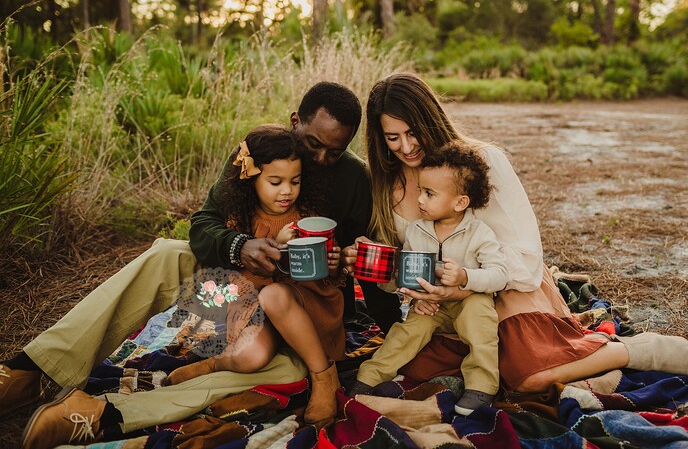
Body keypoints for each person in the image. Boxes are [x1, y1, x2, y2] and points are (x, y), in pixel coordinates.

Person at [0, 81, 399, 448]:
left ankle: (105, 413)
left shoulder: (352, 178)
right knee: (166, 253)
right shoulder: (257, 153)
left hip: (295, 305)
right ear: (297, 121)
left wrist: (390, 323)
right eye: (314, 144)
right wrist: (239, 245)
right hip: (239, 282)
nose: (322, 158)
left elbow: (356, 257)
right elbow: (204, 224)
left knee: (285, 372)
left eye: (335, 149)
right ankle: (33, 370)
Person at [342, 72, 688, 397]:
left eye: (413, 132)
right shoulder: (386, 187)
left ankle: (642, 350)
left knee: (525, 375)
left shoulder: (481, 163)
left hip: (505, 286)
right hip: (442, 307)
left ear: (432, 120)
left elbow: (523, 255)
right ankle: (574, 362)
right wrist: (373, 262)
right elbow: (408, 268)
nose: (406, 147)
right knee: (419, 372)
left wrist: (468, 284)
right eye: (393, 137)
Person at [158, 125, 345, 431]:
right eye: (275, 182)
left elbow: (323, 274)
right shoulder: (242, 222)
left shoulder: (308, 217)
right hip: (262, 308)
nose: (287, 191)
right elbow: (243, 281)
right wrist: (274, 248)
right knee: (250, 357)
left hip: (306, 306)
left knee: (275, 295)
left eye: (295, 182)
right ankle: (214, 364)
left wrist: (334, 262)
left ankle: (325, 376)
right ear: (252, 180)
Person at [348, 142, 507, 415]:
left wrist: (465, 276)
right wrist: (407, 293)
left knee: (480, 318)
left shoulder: (478, 233)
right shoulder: (416, 231)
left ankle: (482, 386)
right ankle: (369, 377)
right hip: (430, 304)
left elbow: (499, 274)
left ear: (460, 202)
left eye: (429, 194)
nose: (420, 199)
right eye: (420, 191)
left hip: (468, 301)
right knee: (406, 331)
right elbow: (406, 277)